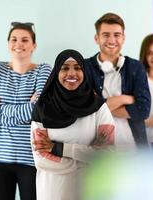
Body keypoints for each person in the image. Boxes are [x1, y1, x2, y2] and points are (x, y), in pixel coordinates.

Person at [31, 49, 115, 200]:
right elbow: (41, 159)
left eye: (77, 68)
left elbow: (107, 153)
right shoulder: (42, 108)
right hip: (52, 191)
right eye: (64, 68)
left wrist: (60, 148)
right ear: (56, 72)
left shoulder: (98, 107)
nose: (71, 73)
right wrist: (86, 162)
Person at [0, 22, 51, 200]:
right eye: (14, 39)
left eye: (24, 40)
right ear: (8, 44)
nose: (18, 44)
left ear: (33, 45)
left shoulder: (43, 70)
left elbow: (36, 112)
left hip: (31, 160)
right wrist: (25, 111)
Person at [85, 13, 151, 151]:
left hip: (133, 149)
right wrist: (124, 99)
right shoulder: (85, 68)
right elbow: (85, 109)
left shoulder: (136, 67)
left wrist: (100, 106)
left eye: (116, 35)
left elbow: (143, 110)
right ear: (96, 38)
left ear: (123, 38)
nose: (111, 40)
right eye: (106, 35)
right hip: (97, 150)